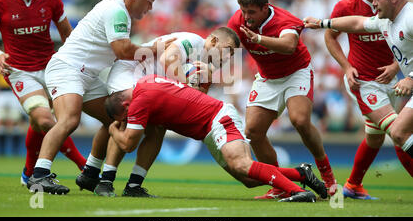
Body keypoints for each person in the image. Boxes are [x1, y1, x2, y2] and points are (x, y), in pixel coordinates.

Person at [26, 0, 174, 195]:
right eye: (149, 1)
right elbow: (123, 50)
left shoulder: (116, 10)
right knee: (69, 119)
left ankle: (90, 174)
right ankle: (39, 175)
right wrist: (154, 50)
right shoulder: (116, 11)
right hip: (68, 68)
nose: (150, 8)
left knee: (115, 117)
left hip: (87, 74)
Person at [107, 74, 328, 202]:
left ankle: (298, 192)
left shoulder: (138, 101)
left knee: (242, 164)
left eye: (124, 118)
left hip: (217, 118)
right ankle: (301, 173)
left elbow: (128, 144)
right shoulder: (146, 82)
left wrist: (113, 130)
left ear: (126, 105)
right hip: (209, 126)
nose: (126, 121)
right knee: (249, 179)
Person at [77, 28, 240, 197]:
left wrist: (201, 85)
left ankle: (133, 184)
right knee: (127, 123)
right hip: (131, 72)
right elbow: (167, 59)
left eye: (232, 54)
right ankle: (106, 181)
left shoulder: (205, 67)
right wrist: (187, 87)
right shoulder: (194, 42)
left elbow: (197, 99)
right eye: (227, 49)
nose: (228, 57)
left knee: (158, 128)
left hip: (151, 85)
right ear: (213, 41)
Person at [0, 0, 86, 182]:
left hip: (50, 66)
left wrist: (74, 62)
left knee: (43, 121)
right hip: (20, 71)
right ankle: (85, 168)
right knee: (46, 120)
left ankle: (28, 172)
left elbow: (67, 35)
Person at [227, 0, 337, 198]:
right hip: (268, 77)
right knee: (253, 132)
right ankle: (279, 186)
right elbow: (229, 44)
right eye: (243, 11)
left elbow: (288, 45)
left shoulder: (285, 20)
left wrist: (258, 39)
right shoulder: (237, 20)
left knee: (300, 121)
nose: (246, 17)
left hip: (296, 72)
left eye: (251, 12)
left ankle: (327, 175)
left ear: (265, 8)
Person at [325, 0, 413, 199]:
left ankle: (353, 185)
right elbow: (331, 37)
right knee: (398, 132)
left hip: (392, 81)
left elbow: (404, 43)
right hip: (362, 81)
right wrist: (346, 67)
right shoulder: (346, 5)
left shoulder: (391, 8)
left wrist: (396, 66)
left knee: (374, 137)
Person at [304, 0, 413, 161]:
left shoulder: (409, 17)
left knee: (397, 132)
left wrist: (410, 77)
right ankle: (353, 185)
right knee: (397, 132)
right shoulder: (385, 21)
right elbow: (356, 23)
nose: (373, 3)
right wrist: (322, 23)